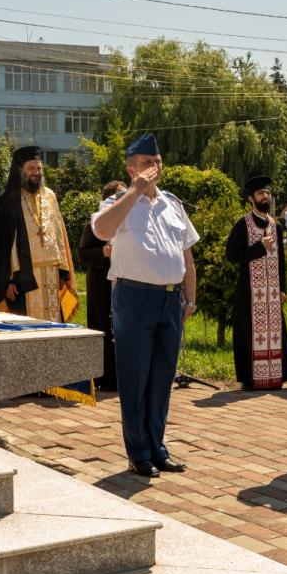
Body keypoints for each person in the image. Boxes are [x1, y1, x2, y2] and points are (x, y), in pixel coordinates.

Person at [91, 133, 198, 478]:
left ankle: (157, 446)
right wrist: (135, 190)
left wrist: (190, 298)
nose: (155, 167)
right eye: (147, 162)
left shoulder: (172, 203)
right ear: (131, 167)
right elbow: (102, 230)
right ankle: (138, 451)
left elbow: (187, 254)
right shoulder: (119, 202)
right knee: (135, 377)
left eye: (158, 161)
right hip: (135, 297)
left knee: (162, 378)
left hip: (170, 298)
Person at [0, 146, 77, 320]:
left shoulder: (50, 195)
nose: (36, 173)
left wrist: (63, 271)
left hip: (51, 274)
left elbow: (59, 232)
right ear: (20, 170)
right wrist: (7, 280)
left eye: (39, 168)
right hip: (23, 278)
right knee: (28, 327)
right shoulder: (8, 199)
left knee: (53, 325)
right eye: (31, 168)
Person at [226, 176, 287, 390]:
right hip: (250, 293)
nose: (265, 197)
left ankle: (275, 377)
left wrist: (283, 288)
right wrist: (259, 248)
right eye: (260, 194)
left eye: (267, 193)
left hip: (273, 293)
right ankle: (251, 379)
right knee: (249, 333)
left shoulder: (276, 226)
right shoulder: (243, 224)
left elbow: (282, 260)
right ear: (251, 198)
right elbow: (232, 255)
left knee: (275, 334)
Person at [79, 181, 125, 392]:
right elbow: (83, 254)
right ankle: (105, 377)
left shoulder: (128, 225)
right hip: (101, 285)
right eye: (118, 195)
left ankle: (123, 375)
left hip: (123, 285)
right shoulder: (94, 225)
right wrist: (102, 253)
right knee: (103, 328)